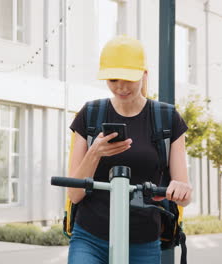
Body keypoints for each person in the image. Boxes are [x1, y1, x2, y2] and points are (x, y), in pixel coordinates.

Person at [67, 35, 192, 264]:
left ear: (144, 75)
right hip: (90, 238)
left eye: (128, 79)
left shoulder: (167, 118)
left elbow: (183, 196)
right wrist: (95, 153)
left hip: (143, 240)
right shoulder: (90, 114)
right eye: (113, 80)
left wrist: (180, 189)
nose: (121, 87)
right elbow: (75, 194)